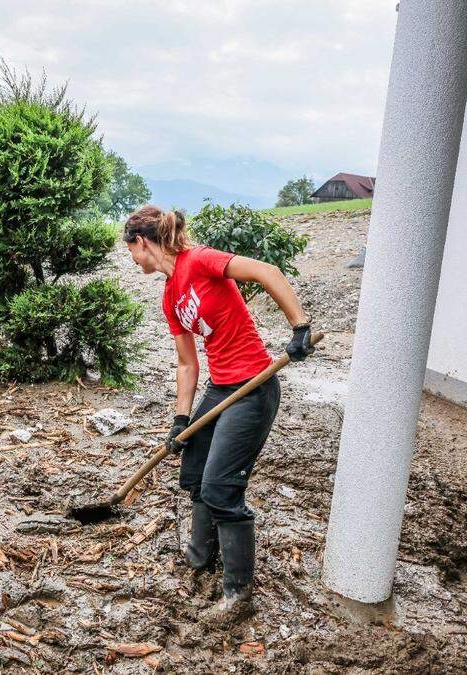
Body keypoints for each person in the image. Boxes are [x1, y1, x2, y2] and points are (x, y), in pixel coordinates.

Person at [122, 204, 313, 625]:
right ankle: (199, 556)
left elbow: (269, 272)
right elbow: (188, 363)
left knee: (221, 487)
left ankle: (238, 593)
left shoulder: (201, 261)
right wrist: (181, 419)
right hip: (221, 388)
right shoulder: (170, 295)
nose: (132, 259)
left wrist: (298, 326)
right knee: (194, 473)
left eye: (131, 250)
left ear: (143, 242)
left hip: (253, 389)